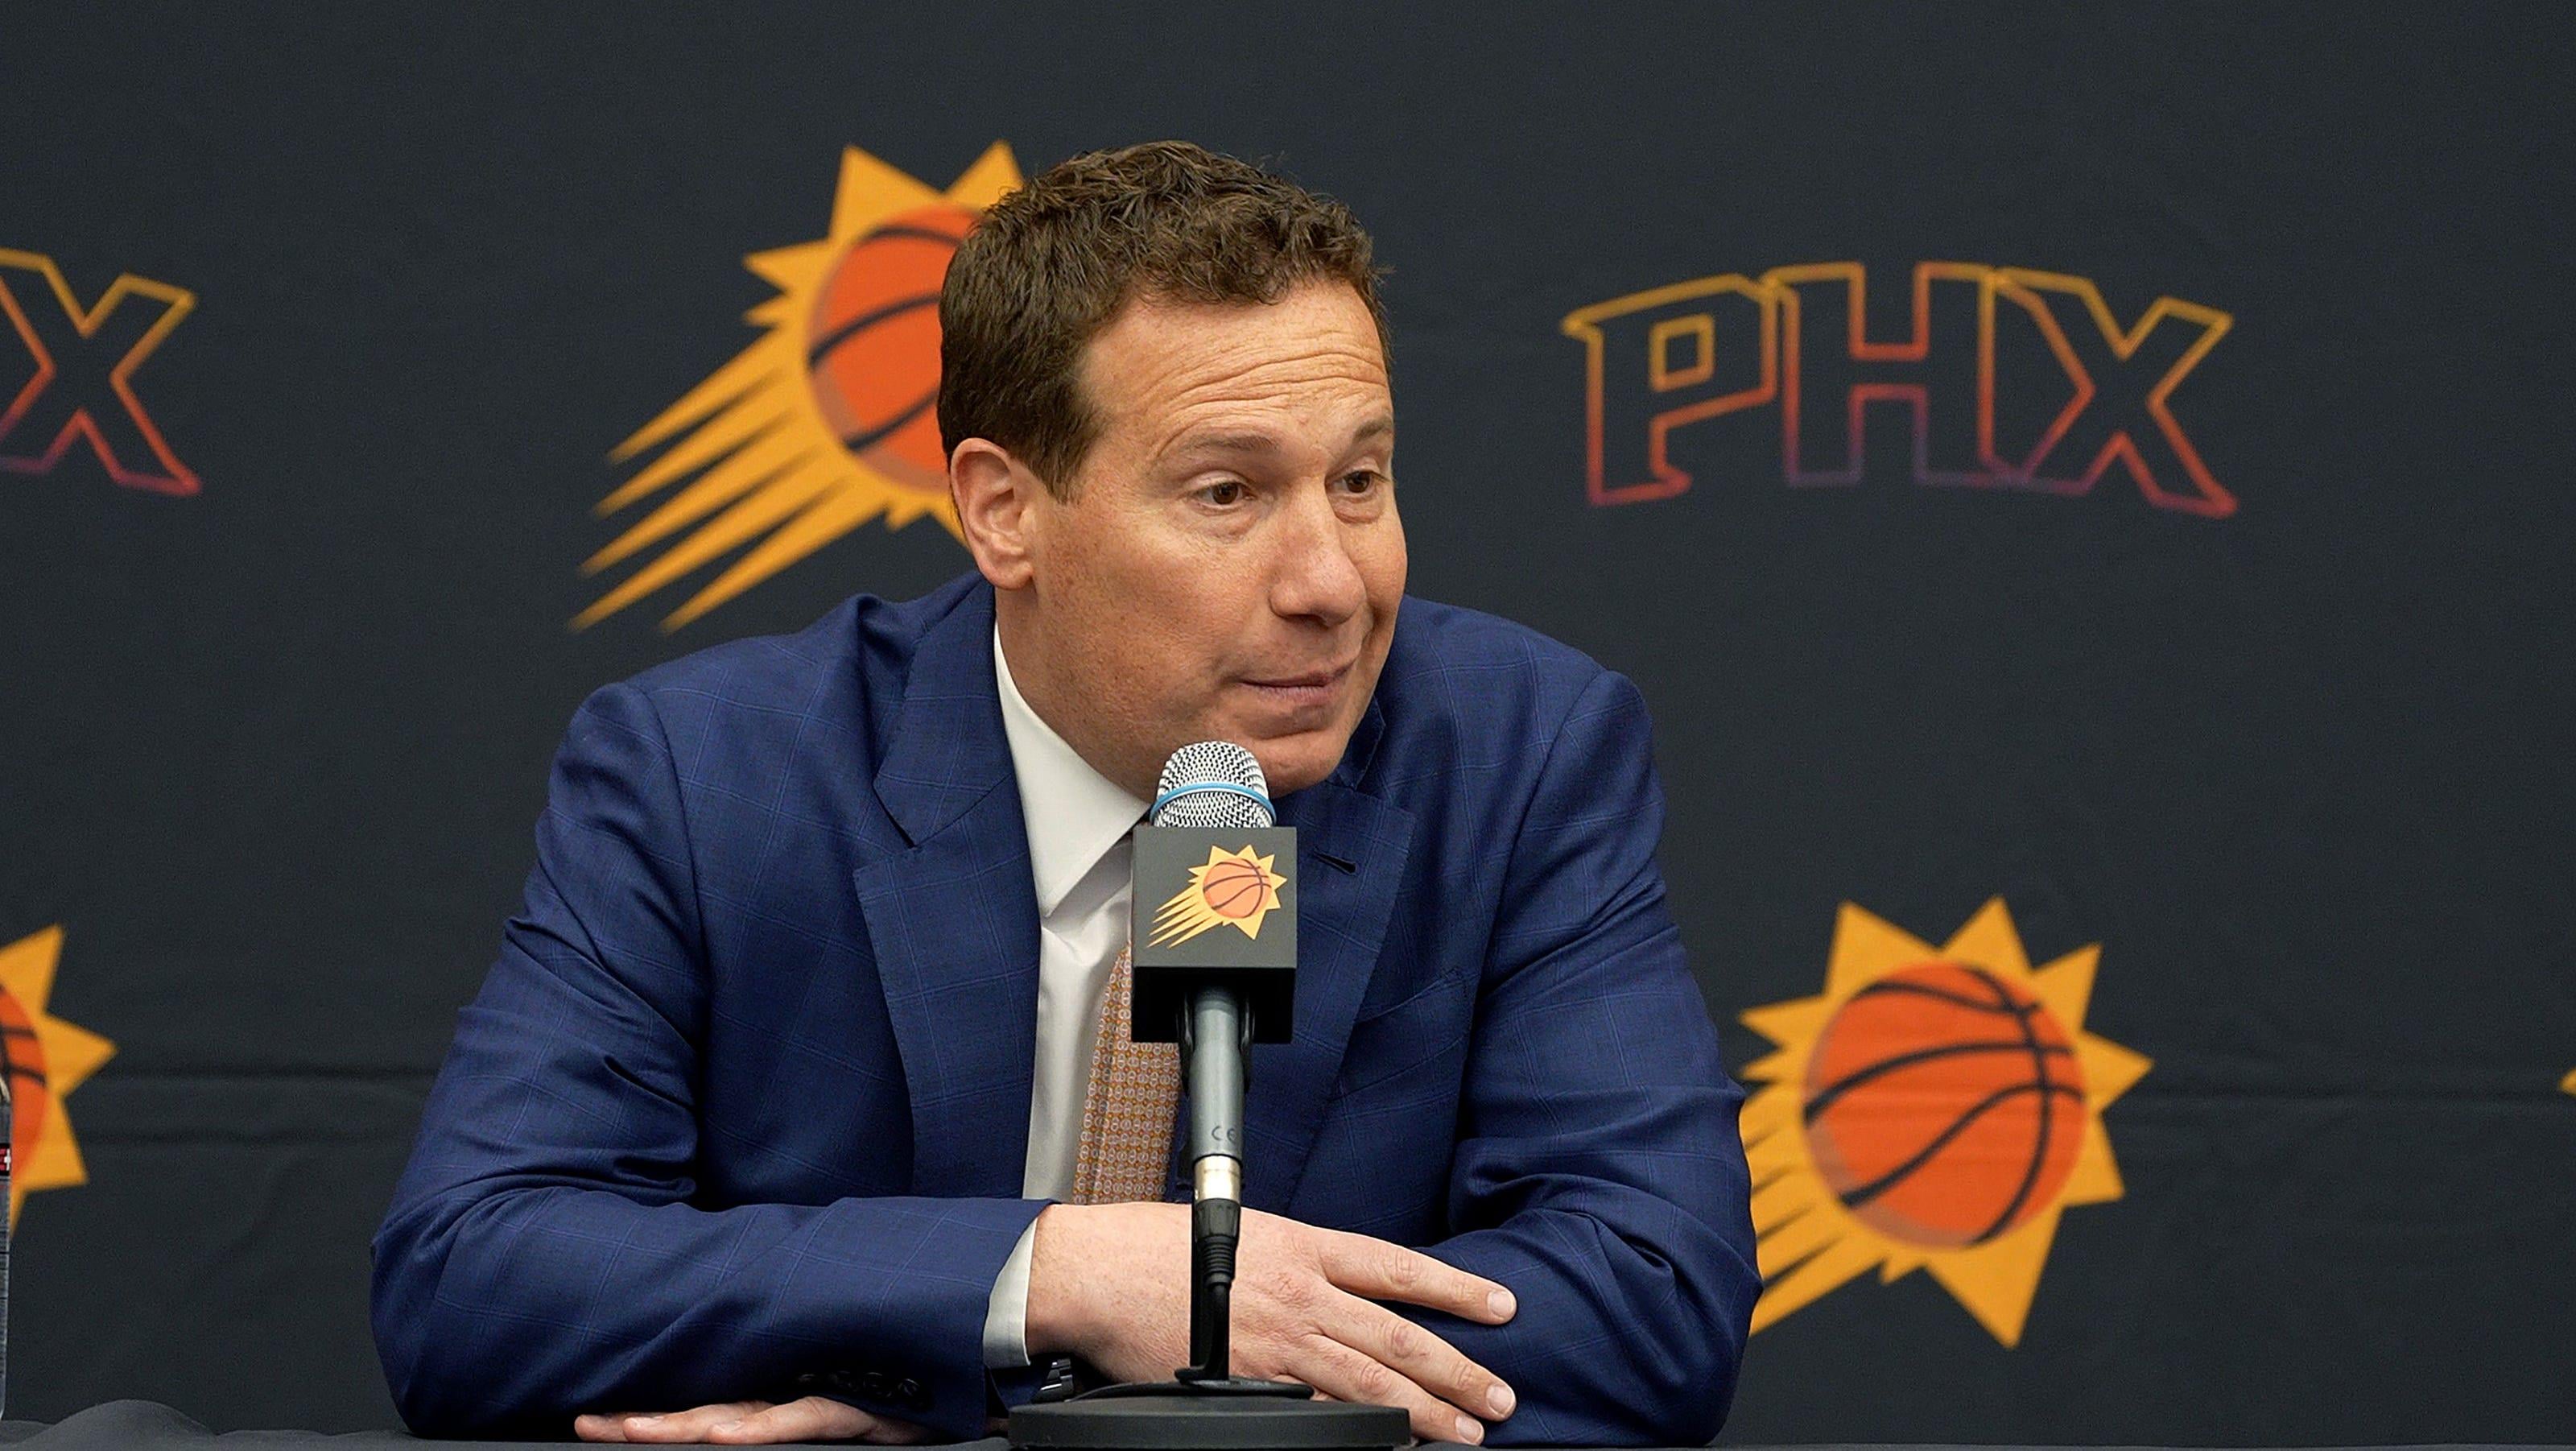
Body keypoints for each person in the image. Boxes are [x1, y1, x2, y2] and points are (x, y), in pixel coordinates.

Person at [371, 141, 1757, 1448]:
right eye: (1227, 493)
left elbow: (1654, 1288)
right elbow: (472, 1272)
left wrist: (1029, 1391)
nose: (1332, 582)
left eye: (1359, 479)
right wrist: (1052, 1275)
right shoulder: (709, 773)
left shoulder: (1517, 753)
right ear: (1004, 512)